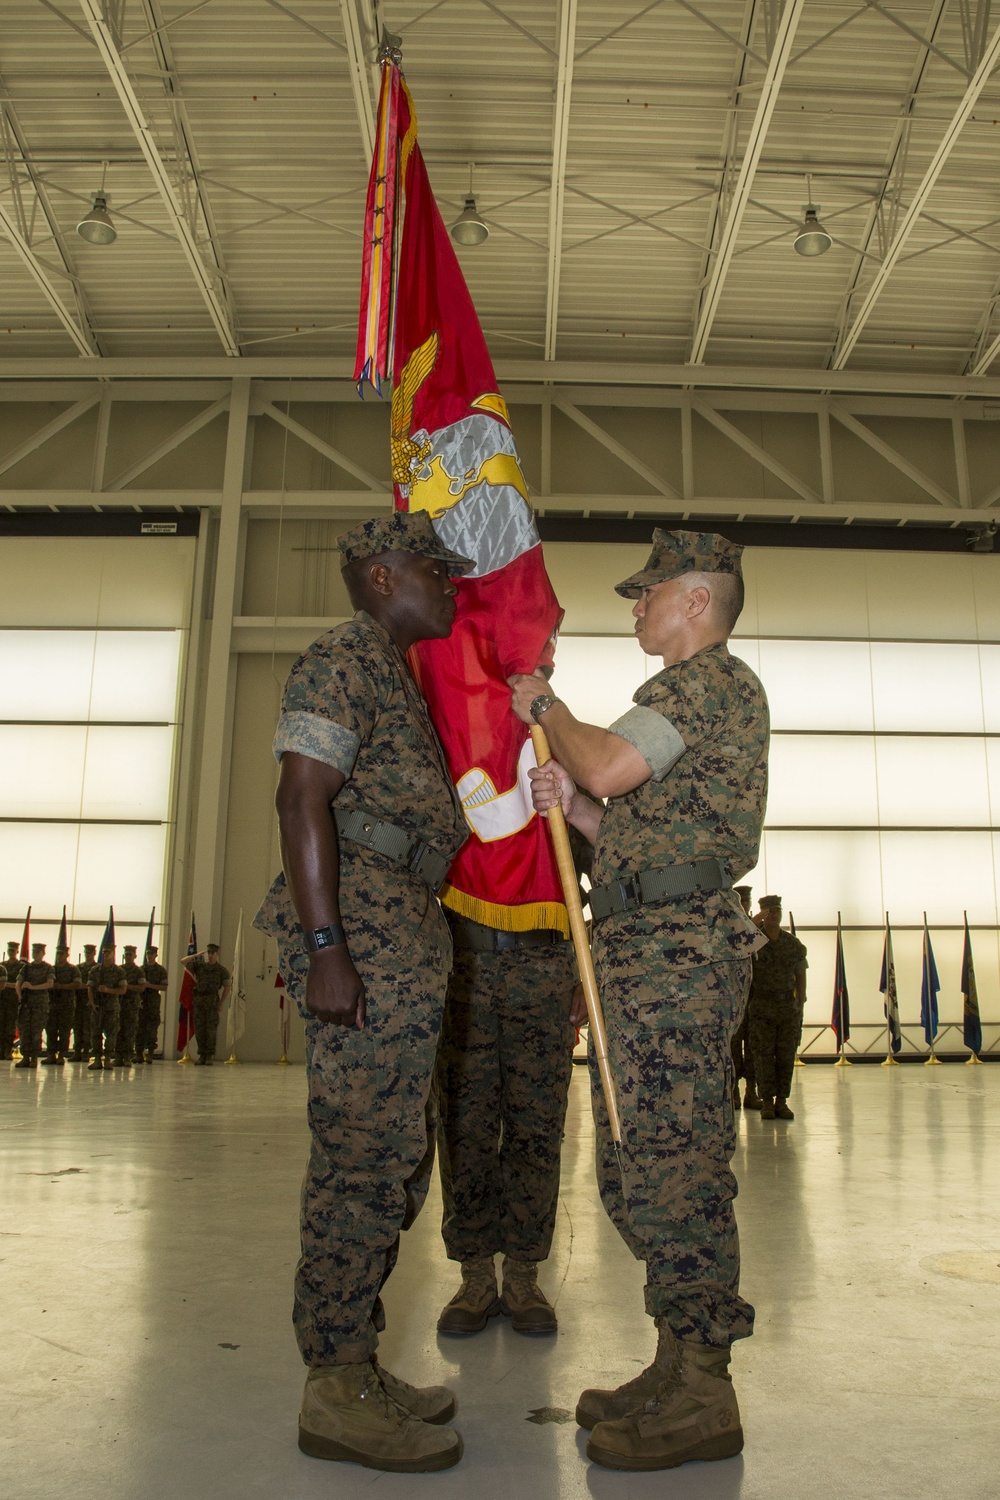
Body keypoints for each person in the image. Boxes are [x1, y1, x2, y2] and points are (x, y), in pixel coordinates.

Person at [510, 527, 768, 1473]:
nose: (636, 608)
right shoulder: (686, 699)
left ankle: (706, 1388)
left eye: (648, 593)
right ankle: (676, 1357)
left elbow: (614, 767)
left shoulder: (704, 685)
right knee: (636, 1163)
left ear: (697, 599)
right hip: (641, 947)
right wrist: (577, 809)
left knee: (675, 1161)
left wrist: (549, 706)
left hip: (675, 956)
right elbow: (621, 810)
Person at [254, 512, 472, 1474]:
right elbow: (301, 796)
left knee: (391, 1159)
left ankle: (358, 1364)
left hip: (401, 932)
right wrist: (327, 946)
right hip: (367, 938)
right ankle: (334, 1385)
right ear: (383, 575)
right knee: (358, 1163)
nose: (453, 585)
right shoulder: (343, 655)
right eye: (437, 569)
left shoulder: (392, 670)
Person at [748, 896, 807, 1121]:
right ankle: (767, 1102)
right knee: (763, 1056)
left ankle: (782, 1101)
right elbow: (738, 941)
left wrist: (800, 1003)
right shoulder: (755, 941)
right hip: (762, 1007)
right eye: (769, 911)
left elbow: (800, 974)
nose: (774, 915)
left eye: (777, 911)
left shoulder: (792, 944)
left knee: (785, 1055)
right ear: (762, 914)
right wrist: (754, 922)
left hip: (786, 1008)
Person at [729, 886, 762, 1112]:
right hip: (734, 998)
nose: (746, 904)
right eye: (743, 900)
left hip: (756, 999)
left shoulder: (760, 928)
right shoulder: (730, 925)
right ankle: (732, 1094)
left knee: (753, 1049)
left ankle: (752, 1092)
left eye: (749, 901)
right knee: (731, 1049)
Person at [180, 945, 231, 1065]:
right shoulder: (200, 966)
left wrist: (221, 1002)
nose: (210, 955)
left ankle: (209, 1055)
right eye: (209, 952)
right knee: (199, 1029)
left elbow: (227, 987)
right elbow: (183, 961)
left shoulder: (221, 970)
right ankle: (202, 1055)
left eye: (213, 953)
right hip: (199, 1000)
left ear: (217, 954)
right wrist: (196, 955)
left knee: (211, 1030)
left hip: (212, 1001)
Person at [16, 943, 54, 1069]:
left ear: (43, 953)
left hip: (40, 1004)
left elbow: (49, 984)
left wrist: (33, 987)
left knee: (36, 1032)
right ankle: (25, 1057)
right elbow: (18, 983)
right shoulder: (26, 968)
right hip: (26, 1004)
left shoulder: (48, 968)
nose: (35, 954)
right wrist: (20, 996)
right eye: (33, 951)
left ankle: (34, 1058)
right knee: (25, 1031)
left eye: (38, 952)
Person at [88, 945, 126, 1070]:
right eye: (104, 952)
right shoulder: (95, 970)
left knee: (111, 1034)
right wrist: (93, 1004)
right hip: (98, 1007)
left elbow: (123, 990)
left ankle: (108, 1059)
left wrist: (108, 990)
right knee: (95, 1034)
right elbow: (90, 988)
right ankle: (97, 1059)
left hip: (111, 1007)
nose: (105, 954)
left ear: (113, 953)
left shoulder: (119, 971)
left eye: (108, 952)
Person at [41, 946, 79, 1066]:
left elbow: (77, 984)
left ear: (67, 955)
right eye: (58, 954)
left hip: (66, 1005)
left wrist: (61, 986)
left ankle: (62, 1055)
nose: (59, 956)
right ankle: (51, 1055)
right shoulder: (51, 969)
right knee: (51, 1030)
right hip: (52, 1005)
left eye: (62, 954)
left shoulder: (73, 969)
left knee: (64, 1031)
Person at [112, 944, 144, 1067]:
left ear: (135, 956)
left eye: (130, 954)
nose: (128, 957)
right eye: (126, 954)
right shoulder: (119, 970)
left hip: (131, 1005)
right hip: (118, 1004)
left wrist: (126, 987)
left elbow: (141, 987)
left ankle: (127, 1057)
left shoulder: (138, 971)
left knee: (129, 1031)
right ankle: (118, 1056)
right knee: (118, 1031)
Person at [138, 945, 168, 1062]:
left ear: (156, 955)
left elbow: (164, 987)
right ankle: (139, 1053)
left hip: (153, 1001)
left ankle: (150, 1053)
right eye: (148, 954)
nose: (149, 956)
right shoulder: (140, 970)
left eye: (151, 954)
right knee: (139, 1028)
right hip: (141, 1001)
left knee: (152, 1029)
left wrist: (150, 985)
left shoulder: (160, 970)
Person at [70, 944, 97, 1061]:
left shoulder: (97, 968)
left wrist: (85, 986)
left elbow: (96, 985)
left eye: (90, 952)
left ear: (94, 953)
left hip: (90, 1002)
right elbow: (74, 983)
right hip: (78, 1001)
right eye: (86, 952)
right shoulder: (78, 968)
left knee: (88, 1027)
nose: (88, 954)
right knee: (77, 1027)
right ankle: (77, 1051)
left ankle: (86, 1051)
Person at [1, 941, 20, 1060]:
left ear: (17, 951)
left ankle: (8, 1050)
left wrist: (5, 984)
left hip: (13, 1000)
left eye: (13, 950)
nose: (11, 952)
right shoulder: (2, 966)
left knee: (10, 1027)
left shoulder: (22, 967)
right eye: (9, 950)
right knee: (1, 1026)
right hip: (2, 1000)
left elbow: (20, 984)